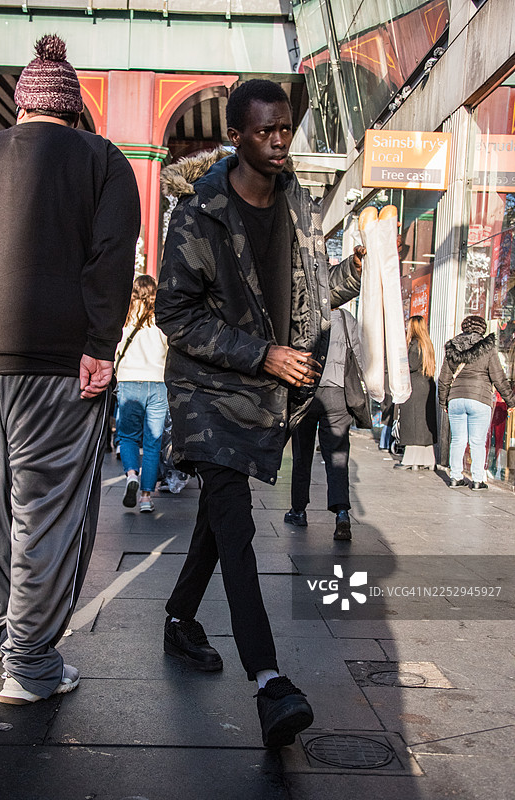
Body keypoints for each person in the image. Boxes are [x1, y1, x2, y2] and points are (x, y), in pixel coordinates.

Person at [155, 79, 363, 748]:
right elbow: (174, 314)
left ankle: (180, 618)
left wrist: (358, 270)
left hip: (270, 395)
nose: (280, 139)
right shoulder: (200, 214)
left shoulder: (299, 205)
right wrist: (262, 354)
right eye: (266, 130)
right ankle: (270, 682)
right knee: (236, 524)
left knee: (217, 527)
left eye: (286, 129)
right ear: (239, 136)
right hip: (207, 391)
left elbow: (317, 290)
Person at [0, 35, 141, 703]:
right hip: (60, 365)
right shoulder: (105, 161)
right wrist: (101, 346)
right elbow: (111, 256)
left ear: (20, 108)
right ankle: (32, 666)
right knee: (44, 513)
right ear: (73, 111)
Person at [284, 307, 364, 540]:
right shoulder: (347, 318)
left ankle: (298, 510)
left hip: (306, 390)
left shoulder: (305, 311)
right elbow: (357, 354)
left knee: (302, 453)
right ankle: (341, 513)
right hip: (338, 392)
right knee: (338, 456)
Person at [438, 314, 515, 489]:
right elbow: (498, 378)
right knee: (477, 441)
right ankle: (478, 480)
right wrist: (511, 401)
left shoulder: (453, 346)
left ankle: (455, 477)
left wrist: (443, 402)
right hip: (479, 399)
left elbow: (444, 379)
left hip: (456, 399)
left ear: (464, 327)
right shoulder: (487, 347)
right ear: (482, 329)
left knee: (457, 439)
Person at [116, 275, 169, 513]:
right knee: (152, 442)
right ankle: (146, 497)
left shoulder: (124, 318)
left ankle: (130, 475)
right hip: (158, 383)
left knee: (127, 437)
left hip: (128, 381)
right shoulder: (162, 319)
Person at [394, 315, 437, 470]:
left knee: (412, 422)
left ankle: (410, 460)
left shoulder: (414, 344)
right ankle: (428, 459)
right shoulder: (427, 344)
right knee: (424, 423)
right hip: (426, 385)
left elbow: (410, 365)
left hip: (414, 386)